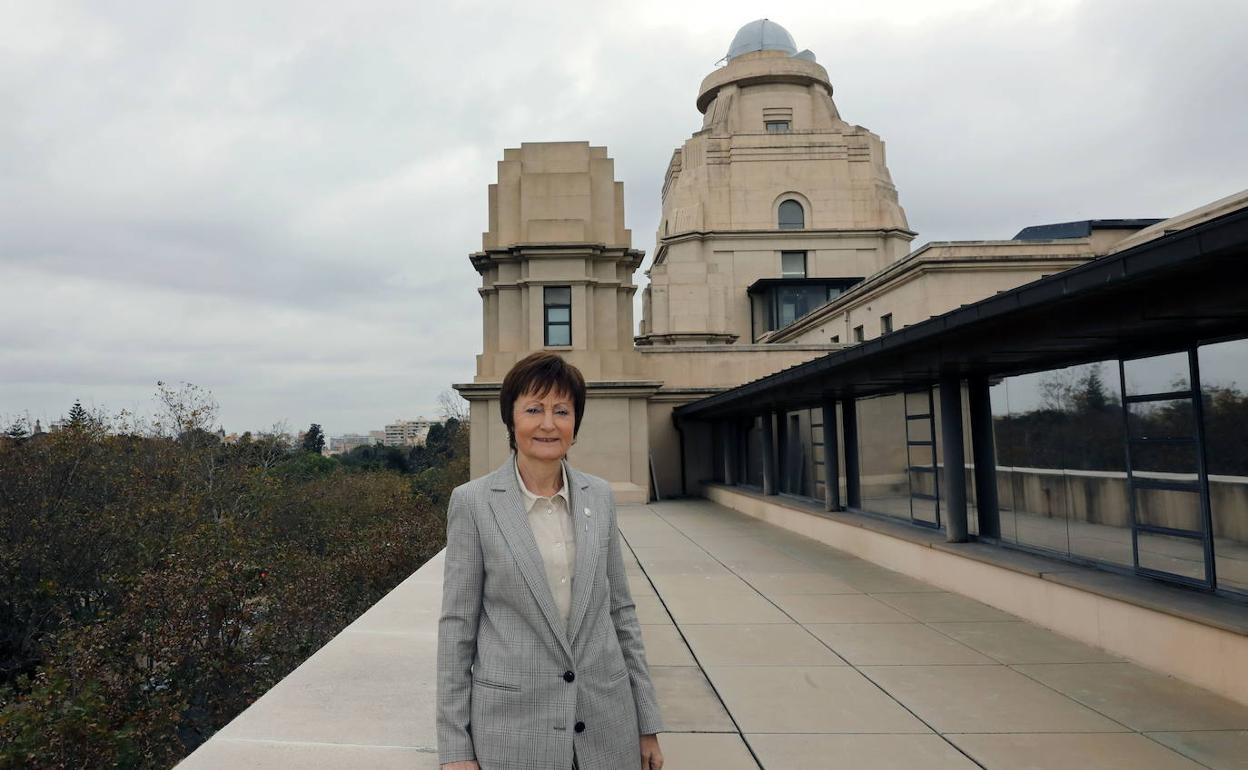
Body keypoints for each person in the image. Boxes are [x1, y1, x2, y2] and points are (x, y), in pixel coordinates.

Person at [437, 352, 665, 770]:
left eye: (562, 410)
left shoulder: (599, 497)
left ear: (575, 424)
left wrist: (646, 722)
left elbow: (621, 613)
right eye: (534, 409)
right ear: (512, 420)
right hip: (514, 731)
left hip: (605, 725)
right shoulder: (473, 503)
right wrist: (455, 748)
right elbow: (457, 629)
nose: (548, 423)